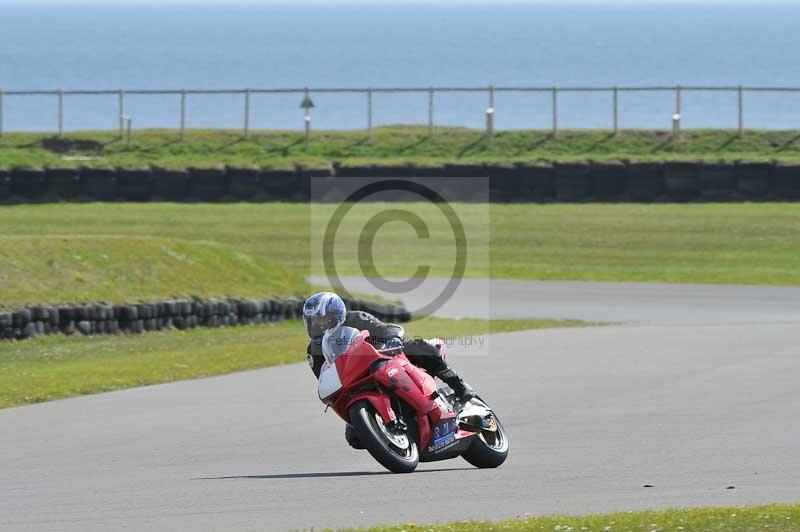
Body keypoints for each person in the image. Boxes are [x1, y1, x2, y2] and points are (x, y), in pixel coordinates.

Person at [303, 292, 476, 448]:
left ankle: (459, 385)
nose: (317, 325)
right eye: (313, 321)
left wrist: (392, 339)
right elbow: (324, 376)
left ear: (335, 315)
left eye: (321, 320)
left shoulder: (356, 319)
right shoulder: (314, 350)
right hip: (356, 380)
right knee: (354, 436)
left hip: (386, 357)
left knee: (418, 346)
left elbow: (386, 328)